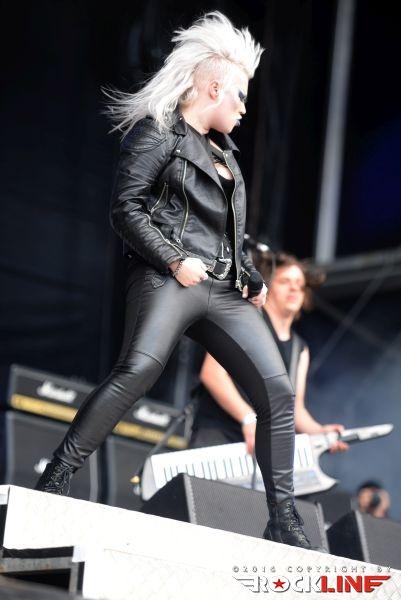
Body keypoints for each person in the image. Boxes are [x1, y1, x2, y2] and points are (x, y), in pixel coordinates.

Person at [35, 12, 313, 550]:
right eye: (240, 96)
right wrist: (172, 259)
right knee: (139, 368)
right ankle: (58, 473)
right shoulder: (159, 133)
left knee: (277, 393)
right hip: (169, 276)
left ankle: (283, 518)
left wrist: (250, 276)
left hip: (222, 289)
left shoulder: (228, 155)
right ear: (214, 88)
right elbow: (125, 208)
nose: (245, 107)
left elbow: (232, 237)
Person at [190, 251, 349, 455]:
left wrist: (319, 432)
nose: (294, 288)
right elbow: (212, 374)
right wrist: (248, 419)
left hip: (257, 447)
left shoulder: (299, 349)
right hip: (218, 435)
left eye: (299, 284)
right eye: (285, 281)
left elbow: (294, 409)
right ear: (268, 287)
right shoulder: (245, 321)